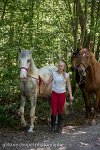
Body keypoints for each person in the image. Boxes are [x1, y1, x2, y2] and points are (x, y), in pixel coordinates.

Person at [45, 61, 74, 133]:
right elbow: (48, 82)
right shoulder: (54, 73)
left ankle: (59, 127)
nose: (60, 67)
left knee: (60, 110)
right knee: (54, 110)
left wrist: (70, 95)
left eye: (61, 66)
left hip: (62, 94)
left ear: (64, 67)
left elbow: (69, 85)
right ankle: (52, 127)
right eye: (59, 65)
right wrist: (40, 80)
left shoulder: (66, 75)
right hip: (54, 93)